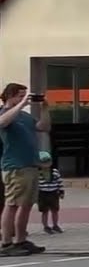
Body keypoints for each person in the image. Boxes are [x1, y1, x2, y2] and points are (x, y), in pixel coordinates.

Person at [0, 84, 49, 256]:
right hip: (15, 166)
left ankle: (21, 239)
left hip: (30, 164)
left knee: (26, 205)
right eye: (20, 95)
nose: (24, 99)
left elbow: (43, 127)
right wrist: (20, 105)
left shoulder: (25, 117)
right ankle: (6, 242)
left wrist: (44, 108)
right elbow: (3, 122)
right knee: (12, 204)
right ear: (10, 96)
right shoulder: (5, 114)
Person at [36, 151, 64, 235]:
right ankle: (46, 226)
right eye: (43, 162)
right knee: (45, 211)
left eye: (48, 162)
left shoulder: (55, 172)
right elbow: (36, 184)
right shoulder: (38, 173)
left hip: (53, 193)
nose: (46, 164)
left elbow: (59, 182)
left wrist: (61, 191)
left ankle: (55, 225)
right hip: (42, 194)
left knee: (55, 210)